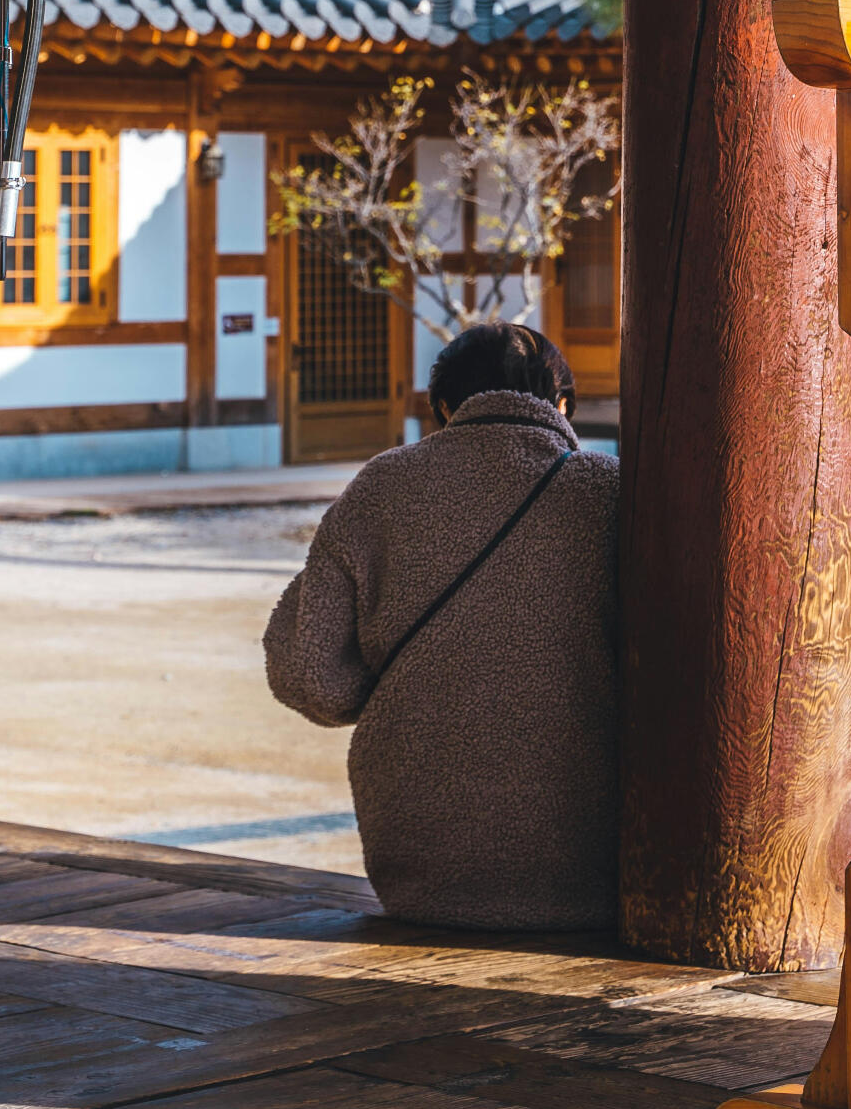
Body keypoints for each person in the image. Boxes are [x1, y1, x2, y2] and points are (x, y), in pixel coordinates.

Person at [264, 321, 618, 931]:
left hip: (420, 869)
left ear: (446, 407)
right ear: (561, 405)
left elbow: (307, 675)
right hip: (590, 863)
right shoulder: (609, 493)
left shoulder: (382, 485)